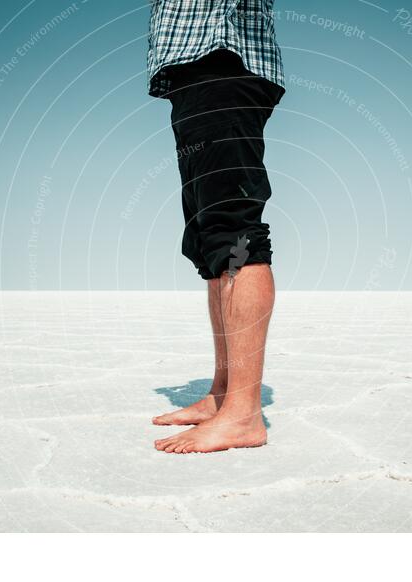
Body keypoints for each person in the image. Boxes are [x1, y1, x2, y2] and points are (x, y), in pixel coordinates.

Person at [146, 1, 285, 453]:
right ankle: (224, 396)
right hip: (193, 72)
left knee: (234, 234)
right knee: (210, 244)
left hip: (224, 59)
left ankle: (243, 415)